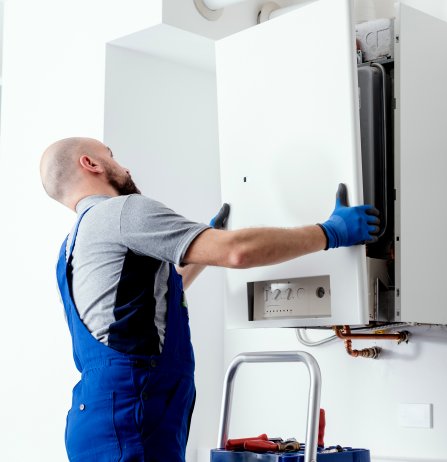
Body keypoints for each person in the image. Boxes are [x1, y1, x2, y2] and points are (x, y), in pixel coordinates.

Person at [39, 137, 380, 462]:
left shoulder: (70, 247)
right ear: (91, 163)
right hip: (131, 413)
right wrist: (331, 232)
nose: (124, 166)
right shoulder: (122, 212)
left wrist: (197, 252)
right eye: (111, 154)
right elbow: (237, 252)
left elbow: (151, 299)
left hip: (100, 416)